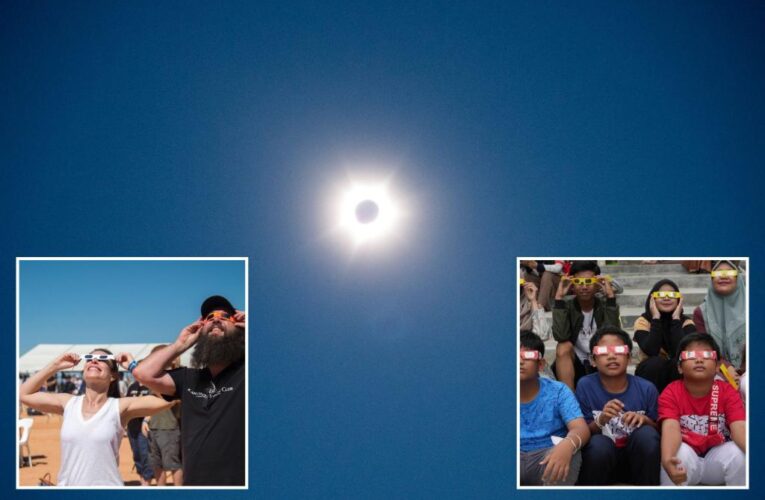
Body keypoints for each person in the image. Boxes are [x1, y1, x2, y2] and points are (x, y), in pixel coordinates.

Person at [133, 295, 246, 486]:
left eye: (225, 317)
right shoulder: (188, 378)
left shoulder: (249, 373)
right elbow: (143, 373)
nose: (216, 319)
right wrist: (181, 344)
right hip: (195, 482)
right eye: (209, 318)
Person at [19, 349, 174, 486]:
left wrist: (134, 369)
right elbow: (23, 394)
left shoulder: (119, 407)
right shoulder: (68, 403)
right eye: (89, 358)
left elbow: (169, 398)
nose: (94, 360)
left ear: (113, 375)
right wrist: (55, 365)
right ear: (84, 370)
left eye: (102, 360)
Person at [575, 326, 660, 485]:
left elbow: (659, 431)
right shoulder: (585, 386)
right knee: (598, 443)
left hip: (638, 461)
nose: (612, 356)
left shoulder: (647, 388)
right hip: (601, 461)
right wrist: (601, 419)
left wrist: (644, 420)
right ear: (593, 360)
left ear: (629, 358)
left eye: (619, 350)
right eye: (603, 352)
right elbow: (580, 433)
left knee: (647, 435)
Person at [659, 333, 746, 486]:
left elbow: (739, 427)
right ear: (679, 367)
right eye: (690, 355)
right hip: (687, 459)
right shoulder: (671, 392)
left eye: (707, 355)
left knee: (739, 453)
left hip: (717, 457)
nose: (699, 360)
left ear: (718, 365)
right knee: (676, 454)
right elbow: (671, 427)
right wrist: (667, 459)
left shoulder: (727, 391)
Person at [520, 331, 590, 486]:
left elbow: (581, 429)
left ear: (541, 364)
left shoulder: (558, 391)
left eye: (528, 356)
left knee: (571, 453)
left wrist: (567, 445)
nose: (520, 361)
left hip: (548, 455)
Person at [552, 260, 620, 390]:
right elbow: (561, 336)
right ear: (572, 284)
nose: (584, 287)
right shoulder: (567, 306)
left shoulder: (605, 305)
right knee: (563, 347)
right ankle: (569, 403)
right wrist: (559, 299)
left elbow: (613, 336)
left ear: (597, 283)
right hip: (575, 364)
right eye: (578, 282)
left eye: (589, 282)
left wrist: (610, 297)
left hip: (600, 360)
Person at [634, 279, 696, 393]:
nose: (666, 298)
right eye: (660, 294)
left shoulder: (686, 322)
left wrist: (676, 319)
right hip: (650, 372)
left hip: (677, 371)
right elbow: (651, 350)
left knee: (678, 364)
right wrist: (656, 318)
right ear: (652, 299)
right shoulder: (643, 321)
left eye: (672, 295)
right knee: (655, 363)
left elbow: (683, 352)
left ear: (679, 300)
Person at [693, 260, 746, 373]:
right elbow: (705, 346)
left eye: (729, 273)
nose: (723, 277)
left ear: (738, 279)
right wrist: (725, 367)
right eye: (718, 273)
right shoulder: (701, 312)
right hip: (716, 369)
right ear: (711, 280)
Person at [145, 344, 183, 486]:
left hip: (170, 427)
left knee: (173, 465)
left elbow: (174, 400)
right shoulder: (156, 379)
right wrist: (146, 420)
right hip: (154, 426)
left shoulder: (176, 378)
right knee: (156, 464)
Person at [125, 368, 154, 485]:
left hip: (144, 426)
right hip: (132, 426)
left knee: (145, 454)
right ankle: (142, 481)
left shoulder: (151, 387)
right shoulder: (132, 387)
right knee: (136, 455)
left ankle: (147, 483)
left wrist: (147, 420)